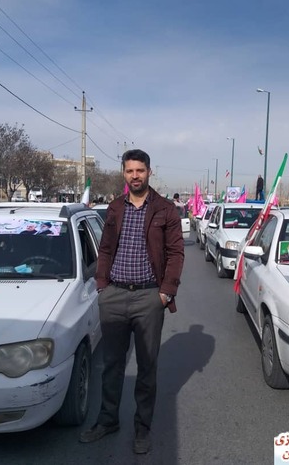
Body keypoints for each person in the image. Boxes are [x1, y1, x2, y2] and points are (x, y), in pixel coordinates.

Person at [79, 149, 185, 454]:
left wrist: (166, 292)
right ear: (124, 174)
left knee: (147, 366)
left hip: (149, 297)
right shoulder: (115, 208)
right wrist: (102, 286)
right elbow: (105, 249)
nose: (135, 176)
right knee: (111, 364)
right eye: (130, 171)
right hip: (114, 295)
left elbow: (176, 253)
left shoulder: (165, 210)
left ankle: (142, 427)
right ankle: (108, 419)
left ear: (149, 172)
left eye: (140, 170)